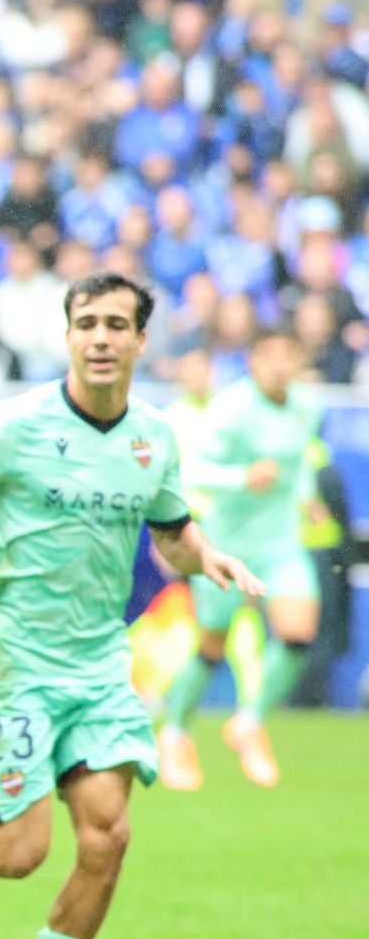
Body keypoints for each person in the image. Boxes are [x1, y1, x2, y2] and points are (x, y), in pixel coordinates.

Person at [0, 272, 262, 939]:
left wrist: (207, 555)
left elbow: (172, 535)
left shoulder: (154, 438)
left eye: (118, 323)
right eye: (88, 323)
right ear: (69, 335)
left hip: (100, 670)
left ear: (143, 340)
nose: (102, 337)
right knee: (18, 857)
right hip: (12, 668)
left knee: (108, 837)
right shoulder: (15, 425)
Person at [158, 327, 324, 789]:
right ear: (252, 362)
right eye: (268, 356)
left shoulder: (307, 406)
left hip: (281, 543)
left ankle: (248, 722)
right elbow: (194, 471)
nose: (279, 365)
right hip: (226, 548)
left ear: (298, 360)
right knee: (212, 645)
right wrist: (242, 477)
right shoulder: (230, 409)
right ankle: (174, 733)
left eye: (288, 355)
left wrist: (308, 496)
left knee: (298, 632)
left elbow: (298, 465)